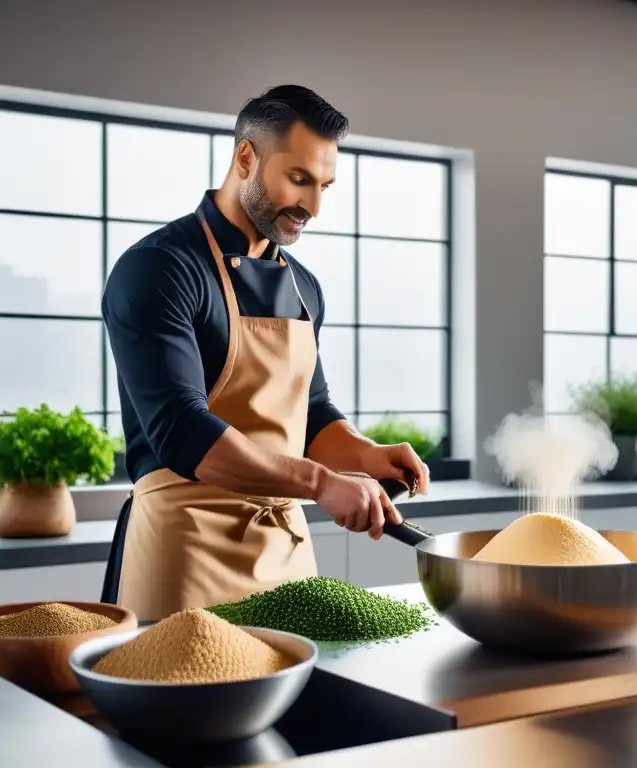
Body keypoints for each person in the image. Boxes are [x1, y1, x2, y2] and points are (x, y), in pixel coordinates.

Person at [99, 85, 429, 622]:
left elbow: (312, 415)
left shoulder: (304, 287)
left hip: (284, 553)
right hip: (185, 551)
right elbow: (182, 431)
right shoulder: (159, 270)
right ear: (246, 157)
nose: (314, 206)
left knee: (302, 704)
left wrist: (367, 455)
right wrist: (321, 483)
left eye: (324, 185)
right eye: (298, 180)